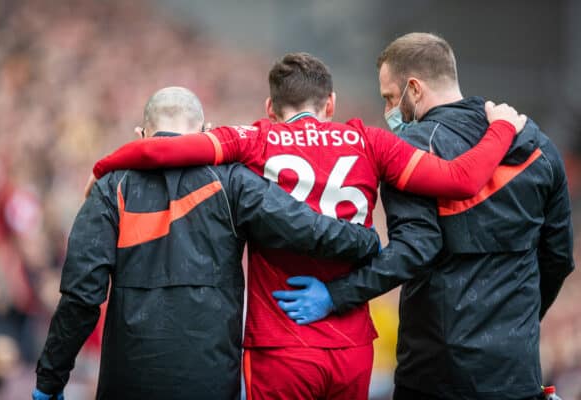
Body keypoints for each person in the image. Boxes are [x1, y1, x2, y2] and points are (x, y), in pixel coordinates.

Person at [84, 53, 527, 399]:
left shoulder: (255, 138)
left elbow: (164, 151)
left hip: (280, 345)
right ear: (330, 103)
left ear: (270, 107)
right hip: (350, 346)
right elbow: (460, 179)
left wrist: (103, 168)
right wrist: (502, 129)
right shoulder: (370, 141)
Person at [274, 33, 576, 400]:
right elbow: (558, 258)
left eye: (389, 97)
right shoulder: (538, 146)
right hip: (516, 372)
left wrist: (336, 295)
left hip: (436, 370)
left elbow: (415, 250)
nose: (388, 110)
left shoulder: (411, 150)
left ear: (413, 89)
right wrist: (517, 328)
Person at [31, 87, 383, 400]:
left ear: (141, 134)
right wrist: (365, 240)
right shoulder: (234, 181)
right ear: (207, 132)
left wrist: (50, 378)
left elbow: (81, 295)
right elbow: (308, 229)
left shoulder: (111, 188)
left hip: (128, 379)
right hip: (210, 379)